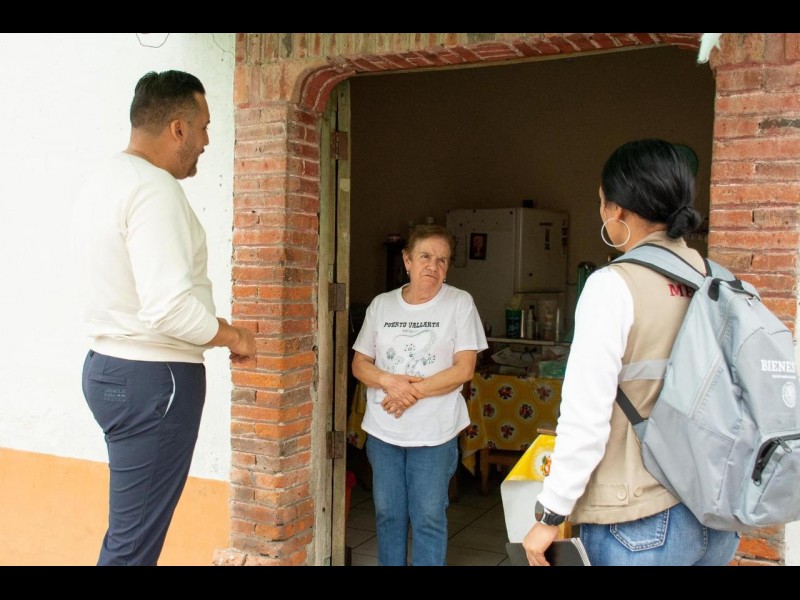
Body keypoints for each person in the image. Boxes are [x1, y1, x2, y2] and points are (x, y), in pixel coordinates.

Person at [522, 139, 740, 566]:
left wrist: (551, 514)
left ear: (617, 210)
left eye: (601, 201)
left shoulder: (613, 285)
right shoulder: (719, 282)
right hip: (715, 517)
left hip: (639, 523)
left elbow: (586, 417)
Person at [71, 70, 256, 566]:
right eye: (204, 127)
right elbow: (169, 308)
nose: (207, 141)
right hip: (155, 379)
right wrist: (233, 335)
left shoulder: (105, 179)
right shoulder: (155, 189)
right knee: (133, 546)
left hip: (108, 367)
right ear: (178, 128)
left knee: (130, 533)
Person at [351, 224, 488, 566]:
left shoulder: (459, 303)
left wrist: (408, 391)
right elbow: (359, 364)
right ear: (407, 260)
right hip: (385, 432)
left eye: (442, 260)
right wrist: (388, 380)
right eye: (425, 256)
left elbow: (464, 369)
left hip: (434, 434)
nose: (433, 266)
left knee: (428, 517)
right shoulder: (382, 305)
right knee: (388, 515)